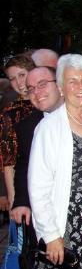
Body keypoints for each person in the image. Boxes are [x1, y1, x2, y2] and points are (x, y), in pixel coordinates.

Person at [28, 54, 82, 269]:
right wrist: (51, 236)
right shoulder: (49, 127)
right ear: (62, 88)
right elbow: (38, 187)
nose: (80, 86)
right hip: (67, 231)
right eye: (72, 81)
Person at [10, 67, 63, 259]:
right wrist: (21, 201)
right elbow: (24, 165)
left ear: (59, 84)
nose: (36, 93)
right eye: (31, 88)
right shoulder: (27, 126)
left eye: (42, 85)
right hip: (48, 212)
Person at [1, 55, 35, 211]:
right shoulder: (10, 112)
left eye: (22, 75)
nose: (19, 82)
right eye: (12, 78)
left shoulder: (52, 101)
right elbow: (8, 161)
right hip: (27, 185)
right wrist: (13, 199)